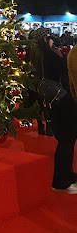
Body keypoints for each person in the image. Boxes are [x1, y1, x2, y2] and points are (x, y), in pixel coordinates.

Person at [35, 31, 77, 193]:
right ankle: (61, 180)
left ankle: (67, 174)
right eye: (49, 38)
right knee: (66, 140)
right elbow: (62, 70)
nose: (53, 40)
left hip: (57, 100)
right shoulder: (47, 55)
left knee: (67, 139)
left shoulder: (45, 54)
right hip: (60, 100)